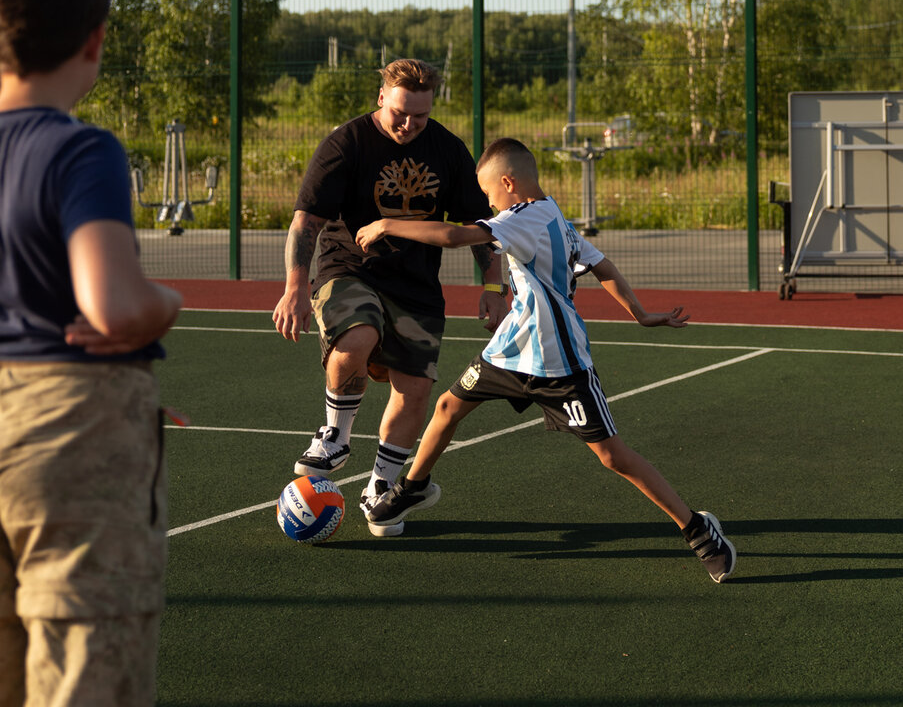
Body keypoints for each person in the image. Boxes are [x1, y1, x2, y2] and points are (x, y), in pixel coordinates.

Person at [355, 137, 737, 583]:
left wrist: (387, 223)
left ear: (508, 183)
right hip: (512, 350)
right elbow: (602, 265)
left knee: (612, 456)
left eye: (488, 192)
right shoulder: (553, 214)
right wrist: (641, 314)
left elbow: (456, 236)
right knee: (447, 408)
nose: (487, 201)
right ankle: (411, 487)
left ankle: (699, 529)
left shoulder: (524, 216)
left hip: (560, 362)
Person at [0, 0, 183, 707]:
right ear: (95, 38)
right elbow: (111, 304)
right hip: (68, 427)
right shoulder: (80, 152)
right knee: (82, 674)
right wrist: (163, 306)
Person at [272, 58, 508, 515]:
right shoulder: (347, 142)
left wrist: (494, 287)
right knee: (358, 334)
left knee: (415, 389)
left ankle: (381, 486)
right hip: (349, 268)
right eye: (400, 111)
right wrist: (295, 286)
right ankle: (334, 437)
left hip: (415, 285)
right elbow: (307, 221)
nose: (408, 123)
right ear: (382, 97)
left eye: (419, 115)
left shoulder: (446, 149)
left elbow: (479, 225)